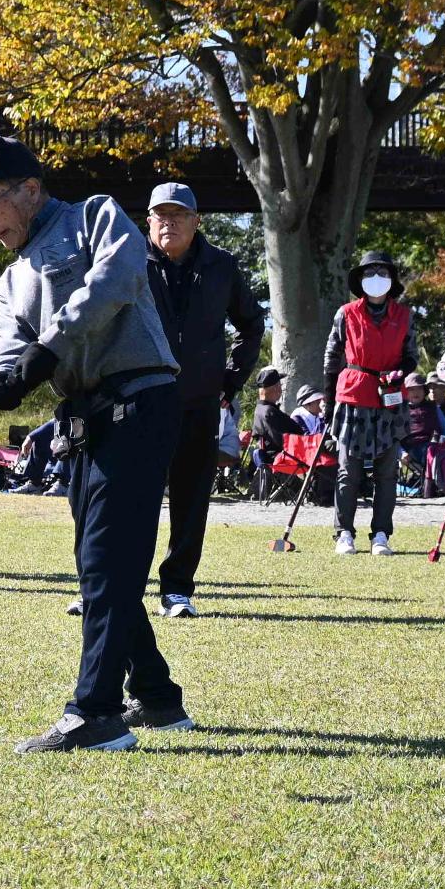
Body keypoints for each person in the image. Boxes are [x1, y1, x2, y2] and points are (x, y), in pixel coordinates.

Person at [0, 133, 189, 753]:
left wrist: (48, 346)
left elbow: (117, 278)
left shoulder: (93, 218)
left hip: (139, 399)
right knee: (99, 562)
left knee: (108, 560)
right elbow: (7, 341)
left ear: (30, 189)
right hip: (83, 419)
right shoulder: (9, 278)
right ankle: (157, 697)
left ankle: (96, 713)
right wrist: (3, 380)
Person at [143, 181, 265, 616]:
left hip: (198, 401)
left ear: (197, 222)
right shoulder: (128, 263)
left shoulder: (222, 267)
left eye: (178, 215)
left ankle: (177, 589)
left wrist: (230, 381)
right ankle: (112, 585)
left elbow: (252, 325)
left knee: (191, 501)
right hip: (141, 402)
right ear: (148, 220)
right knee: (131, 500)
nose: (168, 222)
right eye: (161, 214)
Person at [323, 251, 418, 556]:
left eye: (382, 272)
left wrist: (401, 372)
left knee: (387, 471)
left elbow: (411, 356)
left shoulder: (404, 315)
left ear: (391, 280)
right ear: (360, 280)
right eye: (369, 273)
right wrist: (328, 402)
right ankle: (344, 533)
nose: (376, 278)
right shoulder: (346, 313)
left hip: (389, 398)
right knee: (348, 471)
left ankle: (380, 534)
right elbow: (331, 357)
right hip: (353, 395)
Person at [250, 368, 291, 500]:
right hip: (285, 455)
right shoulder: (269, 412)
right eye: (279, 385)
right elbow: (281, 441)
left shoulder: (261, 410)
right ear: (276, 389)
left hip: (272, 454)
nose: (281, 389)